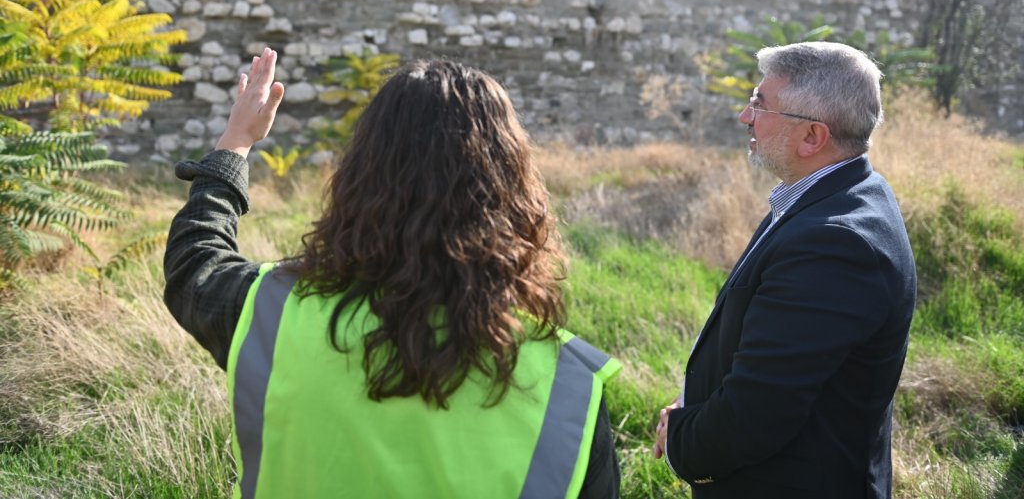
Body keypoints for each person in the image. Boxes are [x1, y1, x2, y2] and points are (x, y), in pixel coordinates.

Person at [164, 49, 621, 498]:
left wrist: (235, 144)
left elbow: (194, 266)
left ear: (358, 179)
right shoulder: (570, 391)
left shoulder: (274, 316)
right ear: (514, 196)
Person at [652, 42, 916, 498]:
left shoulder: (834, 244)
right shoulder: (838, 191)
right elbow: (776, 366)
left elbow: (756, 416)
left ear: (813, 137)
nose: (745, 116)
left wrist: (681, 441)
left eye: (760, 103)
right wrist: (695, 405)